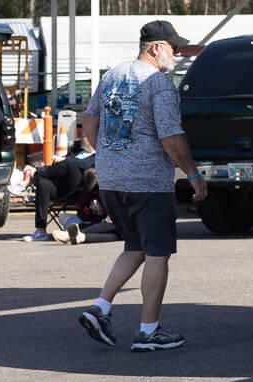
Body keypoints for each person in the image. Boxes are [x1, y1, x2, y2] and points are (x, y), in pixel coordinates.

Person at [75, 20, 207, 352]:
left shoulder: (111, 75)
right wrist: (193, 175)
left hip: (111, 181)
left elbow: (89, 120)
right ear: (154, 48)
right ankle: (149, 331)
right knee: (158, 254)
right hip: (148, 183)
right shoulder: (159, 84)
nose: (177, 55)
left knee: (134, 246)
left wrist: (107, 154)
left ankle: (100, 308)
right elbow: (171, 138)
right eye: (173, 48)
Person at [24, 157, 99, 244]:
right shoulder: (75, 149)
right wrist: (37, 169)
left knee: (70, 162)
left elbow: (85, 164)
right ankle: (41, 231)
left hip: (79, 189)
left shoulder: (96, 153)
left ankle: (29, 181)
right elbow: (55, 168)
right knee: (43, 184)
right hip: (60, 188)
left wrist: (64, 159)